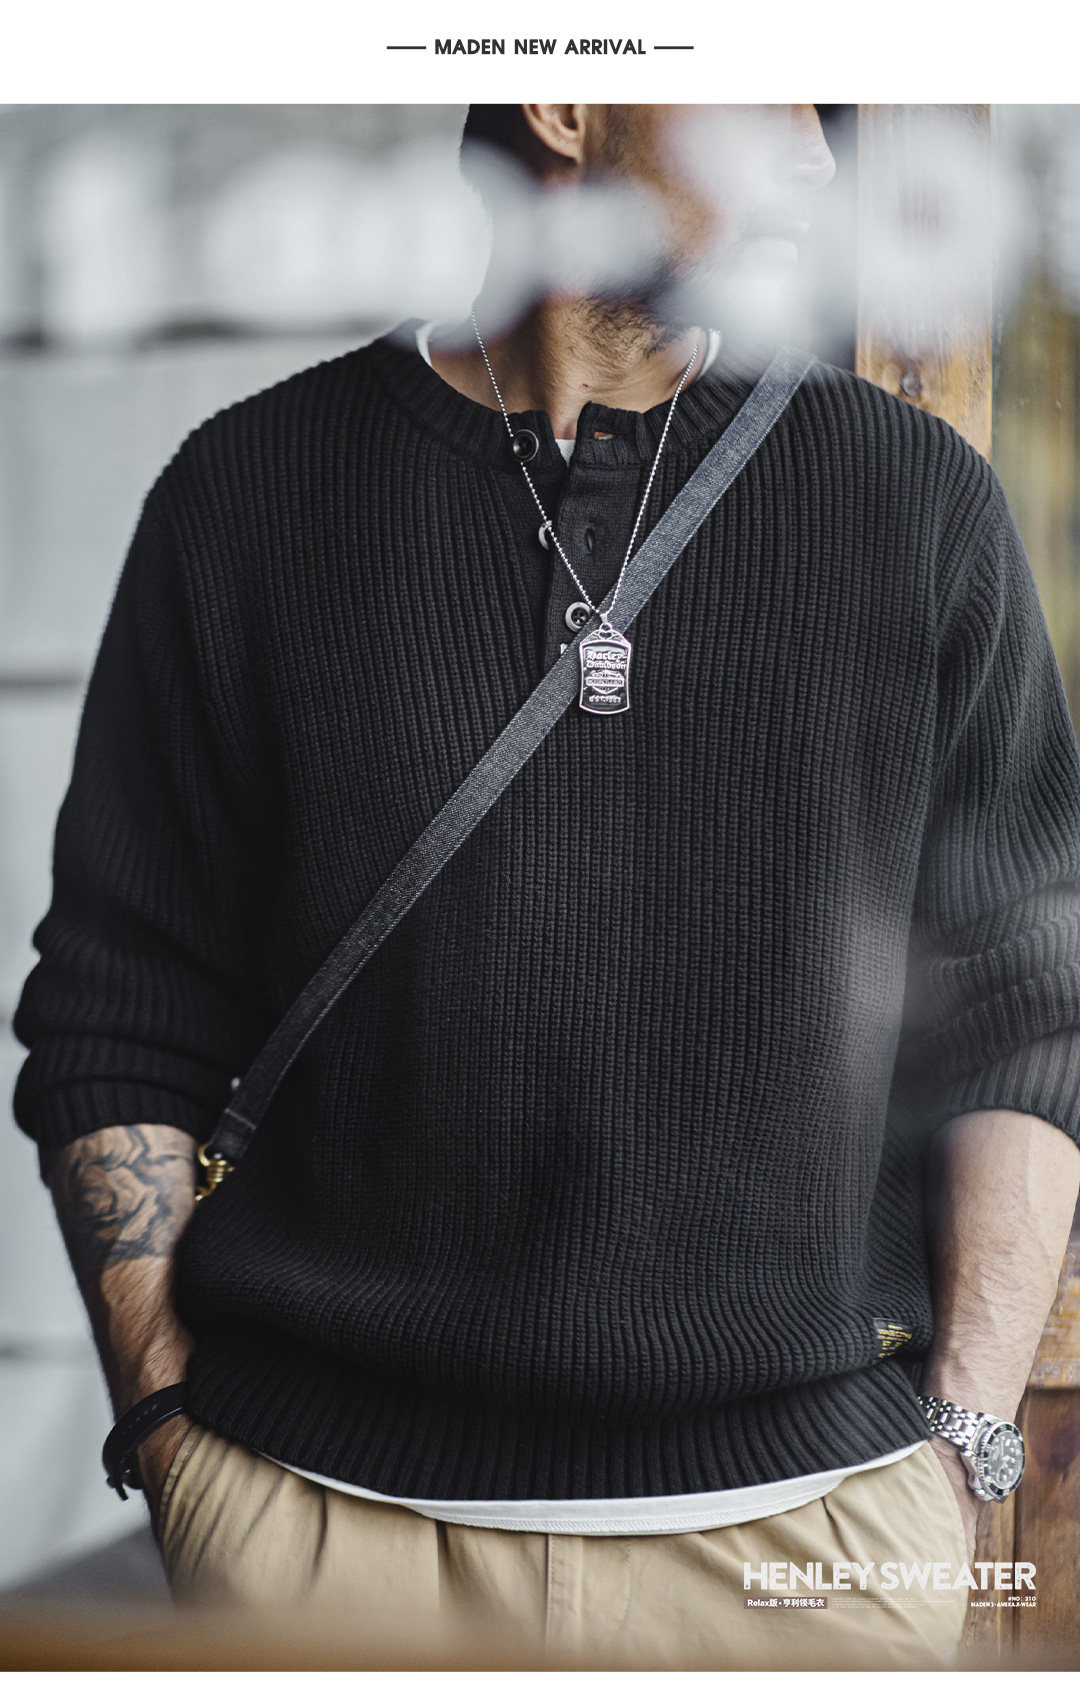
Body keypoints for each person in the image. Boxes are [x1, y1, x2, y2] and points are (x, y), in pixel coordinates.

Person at [12, 103, 1080, 1669]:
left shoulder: (914, 503)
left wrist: (963, 1448)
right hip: (328, 1541)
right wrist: (172, 1439)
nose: (815, 156)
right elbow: (120, 1011)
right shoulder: (245, 496)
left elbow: (1025, 1013)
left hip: (811, 1551)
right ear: (568, 103)